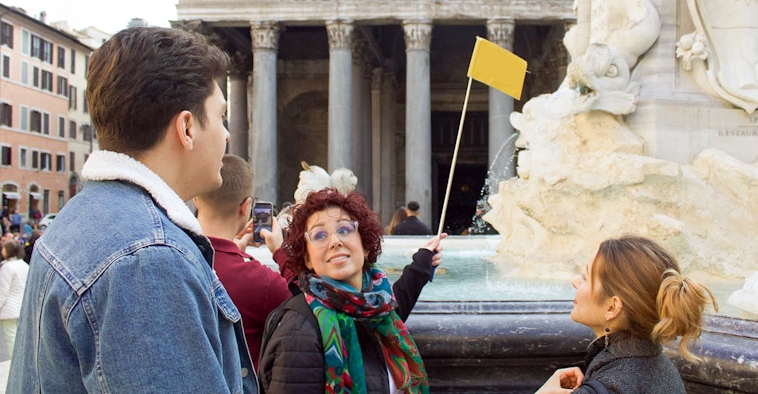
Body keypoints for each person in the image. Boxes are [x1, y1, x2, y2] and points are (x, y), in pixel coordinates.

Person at [8, 27, 257, 393]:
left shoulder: (80, 217)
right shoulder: (148, 261)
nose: (226, 134)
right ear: (187, 127)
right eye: (220, 116)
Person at [258, 187, 446, 393]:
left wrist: (421, 265)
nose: (335, 241)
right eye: (320, 235)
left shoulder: (377, 306)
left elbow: (397, 303)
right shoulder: (298, 333)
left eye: (344, 230)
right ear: (307, 259)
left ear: (365, 245)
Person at [535, 235, 717, 394]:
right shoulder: (662, 367)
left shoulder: (611, 383)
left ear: (612, 308)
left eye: (586, 277)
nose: (576, 282)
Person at [195, 154, 292, 370]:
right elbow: (309, 304)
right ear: (246, 206)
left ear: (195, 198)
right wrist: (280, 251)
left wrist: (233, 251)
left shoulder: (171, 258)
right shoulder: (262, 282)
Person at [0, 239, 29, 360]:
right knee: (23, 339)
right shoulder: (24, 265)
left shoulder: (7, 267)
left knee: (11, 339)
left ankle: (13, 363)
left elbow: (3, 290)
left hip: (9, 309)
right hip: (23, 306)